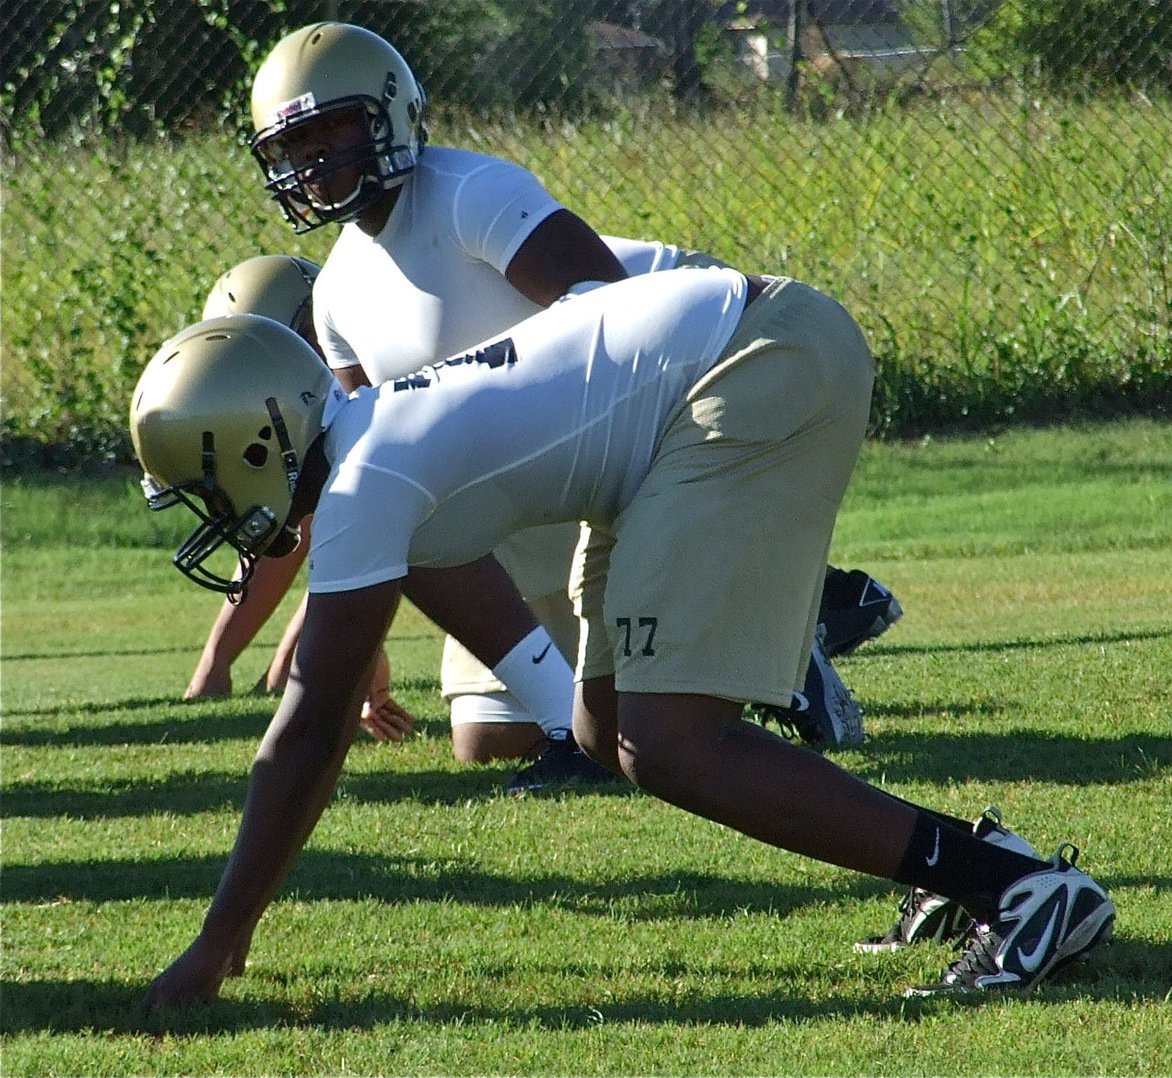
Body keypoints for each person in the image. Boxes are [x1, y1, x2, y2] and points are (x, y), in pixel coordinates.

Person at [132, 267, 1114, 1010]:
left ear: (260, 441)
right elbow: (455, 594)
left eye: (204, 483)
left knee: (670, 740)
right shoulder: (376, 449)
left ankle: (1019, 891)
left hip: (753, 359)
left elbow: (305, 732)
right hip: (716, 377)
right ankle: (979, 865)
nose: (208, 513)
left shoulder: (364, 479)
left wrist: (219, 941)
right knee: (607, 730)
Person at [232, 21, 898, 788]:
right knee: (483, 738)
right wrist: (355, 636)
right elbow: (369, 475)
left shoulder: (467, 192)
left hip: (669, 397)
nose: (314, 160)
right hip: (539, 477)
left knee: (621, 720)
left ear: (390, 113)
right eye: (295, 146)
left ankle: (742, 621)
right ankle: (741, 631)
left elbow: (618, 332)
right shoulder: (339, 292)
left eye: (333, 129)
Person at [185, 254, 411, 742]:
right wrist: (215, 664)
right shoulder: (308, 401)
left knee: (297, 674)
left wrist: (344, 661)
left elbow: (367, 535)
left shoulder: (377, 374)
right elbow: (283, 531)